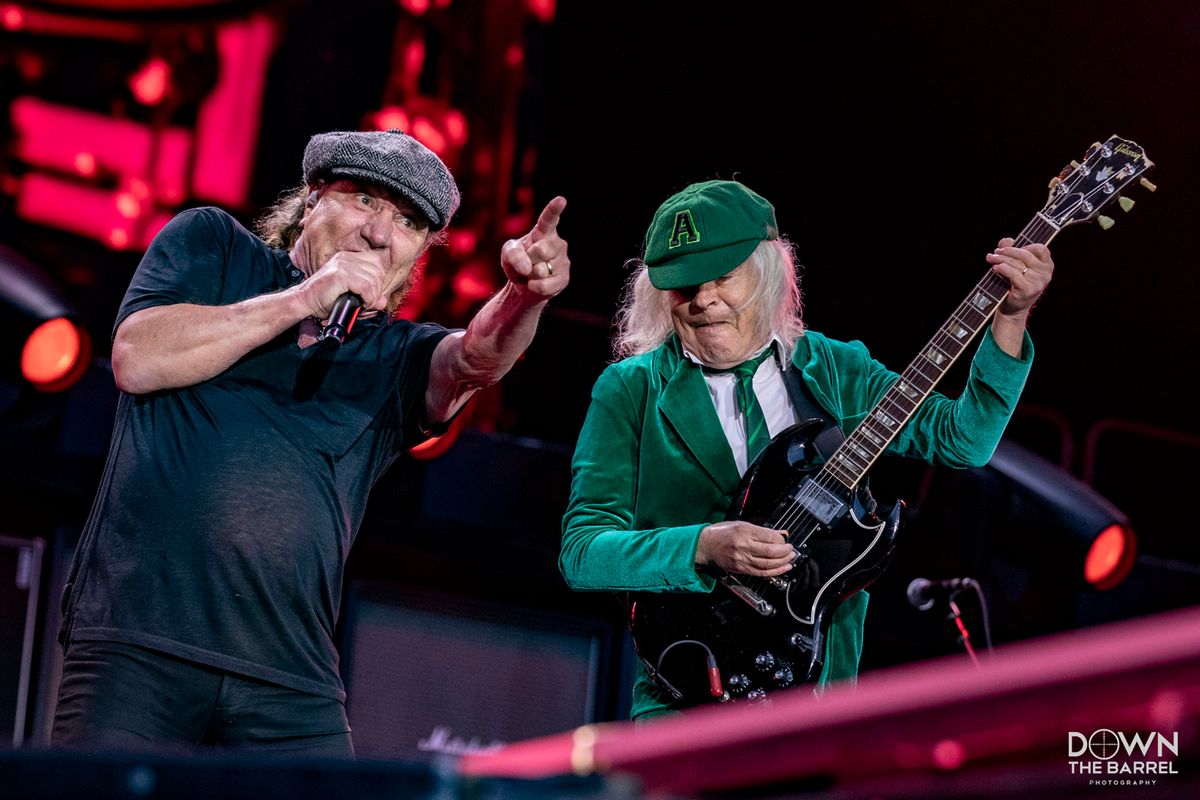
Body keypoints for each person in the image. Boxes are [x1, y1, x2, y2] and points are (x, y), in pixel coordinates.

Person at [52, 129, 570, 755]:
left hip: (289, 682)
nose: (378, 233)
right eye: (364, 200)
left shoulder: (397, 355)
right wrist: (303, 299)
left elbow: (475, 358)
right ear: (313, 196)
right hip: (138, 647)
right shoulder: (214, 245)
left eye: (408, 223)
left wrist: (522, 298)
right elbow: (137, 359)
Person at [559, 179, 1051, 720]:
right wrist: (702, 546)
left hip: (821, 704)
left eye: (723, 277)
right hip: (685, 697)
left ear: (766, 269)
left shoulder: (835, 370)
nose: (704, 300)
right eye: (683, 288)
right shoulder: (631, 389)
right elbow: (583, 552)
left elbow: (965, 439)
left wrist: (1010, 317)